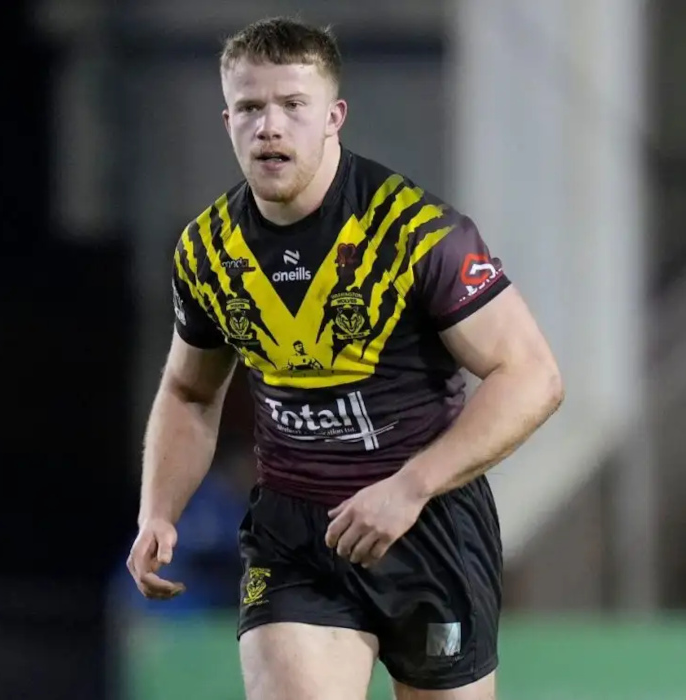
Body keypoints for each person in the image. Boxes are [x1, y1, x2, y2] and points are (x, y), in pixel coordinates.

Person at [126, 16, 564, 700]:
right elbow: (189, 391)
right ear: (228, 121)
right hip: (295, 532)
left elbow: (533, 376)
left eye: (292, 105)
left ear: (333, 117)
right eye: (250, 107)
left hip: (429, 524)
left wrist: (410, 488)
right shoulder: (206, 251)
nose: (270, 127)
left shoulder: (418, 233)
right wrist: (158, 510)